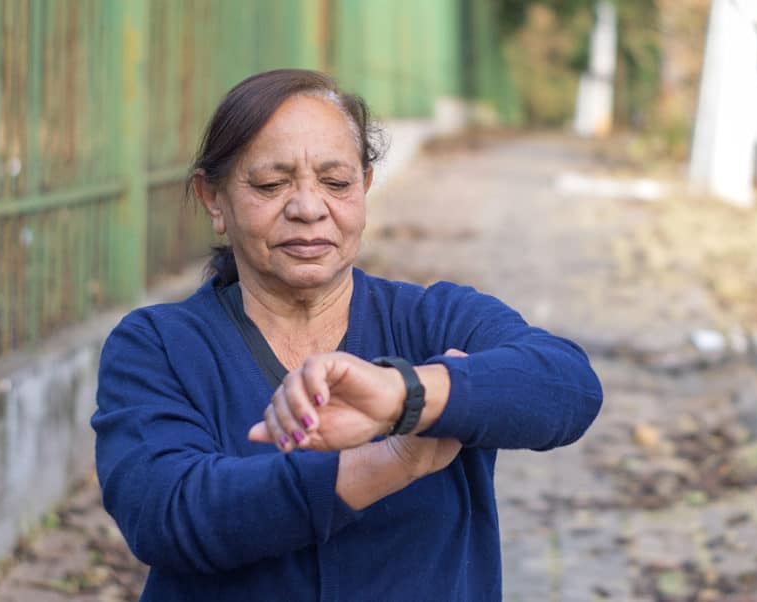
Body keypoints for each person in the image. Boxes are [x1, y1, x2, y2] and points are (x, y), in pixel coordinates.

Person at [91, 69, 602, 601]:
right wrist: (389, 463)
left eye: (336, 183)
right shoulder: (158, 346)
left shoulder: (434, 319)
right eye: (271, 184)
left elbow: (568, 387)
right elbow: (167, 512)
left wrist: (406, 395)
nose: (309, 208)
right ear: (213, 198)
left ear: (365, 187)